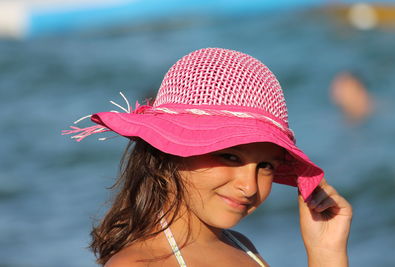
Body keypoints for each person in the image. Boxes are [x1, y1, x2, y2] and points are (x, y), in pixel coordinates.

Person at [63, 48, 352, 267]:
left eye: (265, 166)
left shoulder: (243, 249)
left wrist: (326, 252)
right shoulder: (139, 264)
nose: (249, 186)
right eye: (230, 156)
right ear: (168, 152)